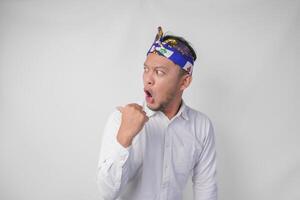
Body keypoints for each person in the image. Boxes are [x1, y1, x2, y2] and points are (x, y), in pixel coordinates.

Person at [97, 26, 217, 200]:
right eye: (146, 69)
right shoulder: (120, 118)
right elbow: (106, 194)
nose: (148, 79)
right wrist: (124, 138)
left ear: (184, 82)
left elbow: (206, 189)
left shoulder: (201, 126)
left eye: (159, 72)